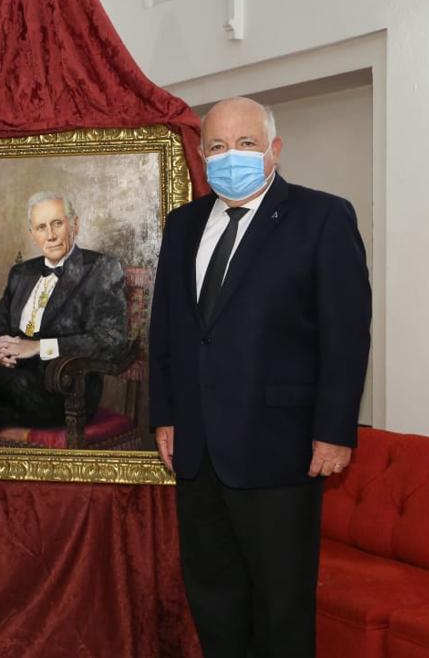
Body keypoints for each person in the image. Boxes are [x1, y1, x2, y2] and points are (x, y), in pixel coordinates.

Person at [148, 97, 371, 657]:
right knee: (214, 599)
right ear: (201, 156)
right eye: (218, 147)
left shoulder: (322, 218)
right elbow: (169, 330)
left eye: (245, 144)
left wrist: (335, 430)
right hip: (196, 451)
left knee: (281, 606)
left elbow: (346, 336)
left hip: (282, 449)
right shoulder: (183, 224)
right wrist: (166, 415)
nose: (231, 157)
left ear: (274, 149)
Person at [0, 193, 128, 447]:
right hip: (6, 386)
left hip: (62, 391)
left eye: (57, 223)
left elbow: (111, 339)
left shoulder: (102, 268)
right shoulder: (22, 273)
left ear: (75, 225)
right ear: (32, 234)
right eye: (41, 227)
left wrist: (37, 347)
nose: (50, 235)